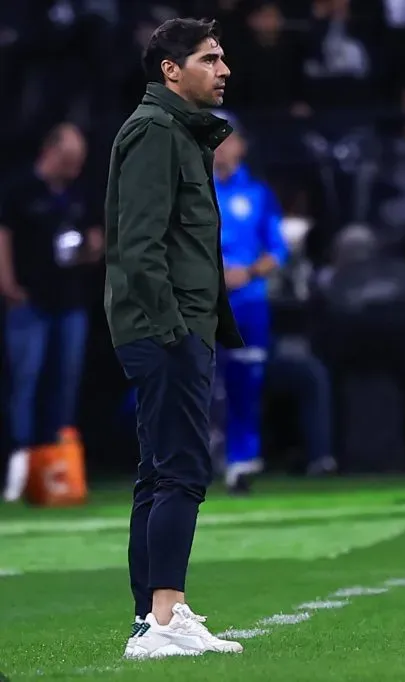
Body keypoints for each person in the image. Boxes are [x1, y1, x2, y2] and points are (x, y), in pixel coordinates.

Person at [105, 18, 244, 659]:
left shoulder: (175, 133)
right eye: (210, 59)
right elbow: (138, 246)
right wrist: (174, 331)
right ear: (171, 70)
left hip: (173, 324)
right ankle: (167, 615)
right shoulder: (157, 132)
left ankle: (149, 618)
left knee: (159, 471)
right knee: (183, 469)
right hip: (168, 327)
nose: (223, 70)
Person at [0, 123, 102, 503]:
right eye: (69, 159)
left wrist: (94, 246)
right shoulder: (19, 189)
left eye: (79, 161)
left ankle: (57, 468)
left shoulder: (80, 192)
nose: (74, 167)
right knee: (25, 383)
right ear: (50, 151)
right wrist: (7, 282)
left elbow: (95, 238)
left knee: (64, 384)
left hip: (70, 302)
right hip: (30, 301)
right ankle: (19, 467)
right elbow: (3, 235)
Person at [212, 112, 289, 494]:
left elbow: (278, 250)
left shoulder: (258, 194)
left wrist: (249, 272)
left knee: (243, 383)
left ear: (241, 145)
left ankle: (240, 462)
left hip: (247, 303)